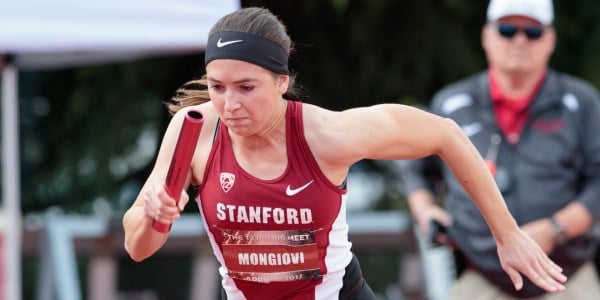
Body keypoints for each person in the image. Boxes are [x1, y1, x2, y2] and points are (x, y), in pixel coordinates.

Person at [122, 6, 567, 300]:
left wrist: (506, 234)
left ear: (281, 82)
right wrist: (154, 216)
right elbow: (139, 247)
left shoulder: (327, 134)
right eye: (217, 87)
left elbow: (446, 135)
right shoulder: (194, 131)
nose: (229, 104)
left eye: (246, 88)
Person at [402, 0, 600, 299]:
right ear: (486, 36)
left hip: (565, 270)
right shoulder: (452, 103)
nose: (519, 40)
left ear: (550, 40)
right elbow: (416, 168)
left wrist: (554, 229)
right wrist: (426, 210)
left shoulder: (581, 101)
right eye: (507, 30)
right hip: (483, 271)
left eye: (532, 32)